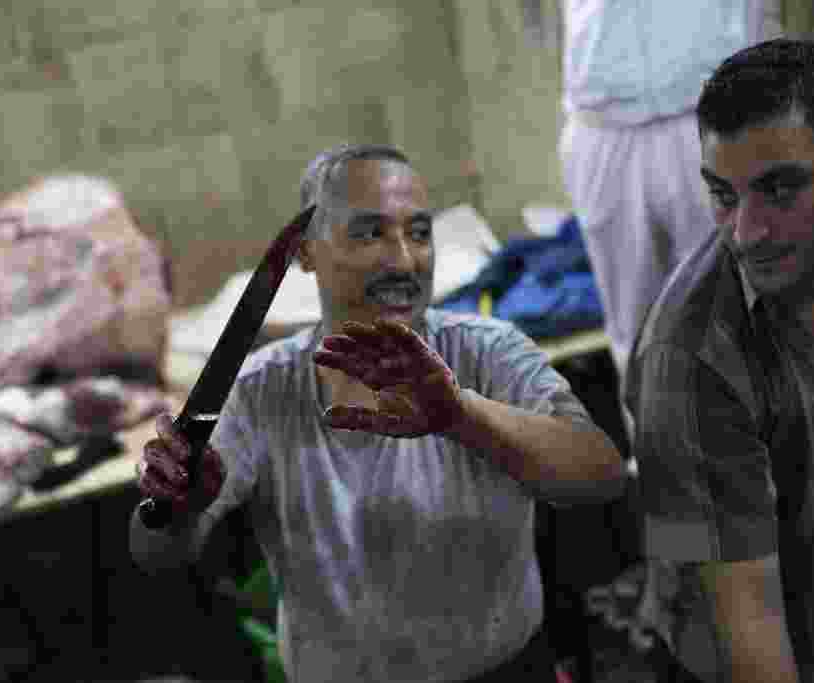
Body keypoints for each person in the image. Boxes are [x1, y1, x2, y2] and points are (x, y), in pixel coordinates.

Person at [130, 143, 626, 682]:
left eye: (418, 232)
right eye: (369, 233)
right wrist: (176, 506)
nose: (403, 260)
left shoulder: (488, 353)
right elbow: (157, 555)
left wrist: (460, 415)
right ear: (305, 254)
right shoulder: (260, 390)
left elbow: (600, 475)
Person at [627, 39, 814, 681]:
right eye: (724, 196)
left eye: (780, 190)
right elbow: (751, 636)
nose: (746, 231)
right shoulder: (687, 357)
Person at [558, 0, 778, 424]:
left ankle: (766, 473)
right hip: (603, 118)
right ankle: (659, 473)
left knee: (743, 318)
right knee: (636, 334)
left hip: (714, 101)